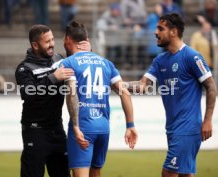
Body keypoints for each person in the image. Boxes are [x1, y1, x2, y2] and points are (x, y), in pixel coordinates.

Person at [126, 13, 216, 177]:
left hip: (188, 128)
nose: (156, 32)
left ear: (173, 31)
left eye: (161, 28)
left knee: (168, 173)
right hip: (173, 129)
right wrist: (118, 85)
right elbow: (143, 86)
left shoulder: (192, 56)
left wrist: (208, 120)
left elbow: (211, 87)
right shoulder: (159, 60)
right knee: (184, 174)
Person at [62, 21, 138, 177]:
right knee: (95, 172)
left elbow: (72, 94)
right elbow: (125, 92)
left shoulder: (68, 63)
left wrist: (75, 126)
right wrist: (130, 125)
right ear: (87, 40)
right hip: (103, 127)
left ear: (68, 40)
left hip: (83, 126)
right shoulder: (106, 63)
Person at [15, 24, 90, 177]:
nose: (52, 44)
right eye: (47, 41)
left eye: (52, 39)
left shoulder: (59, 59)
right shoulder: (24, 68)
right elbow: (29, 94)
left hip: (57, 128)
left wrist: (88, 52)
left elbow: (81, 67)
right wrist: (54, 77)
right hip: (35, 130)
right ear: (35, 45)